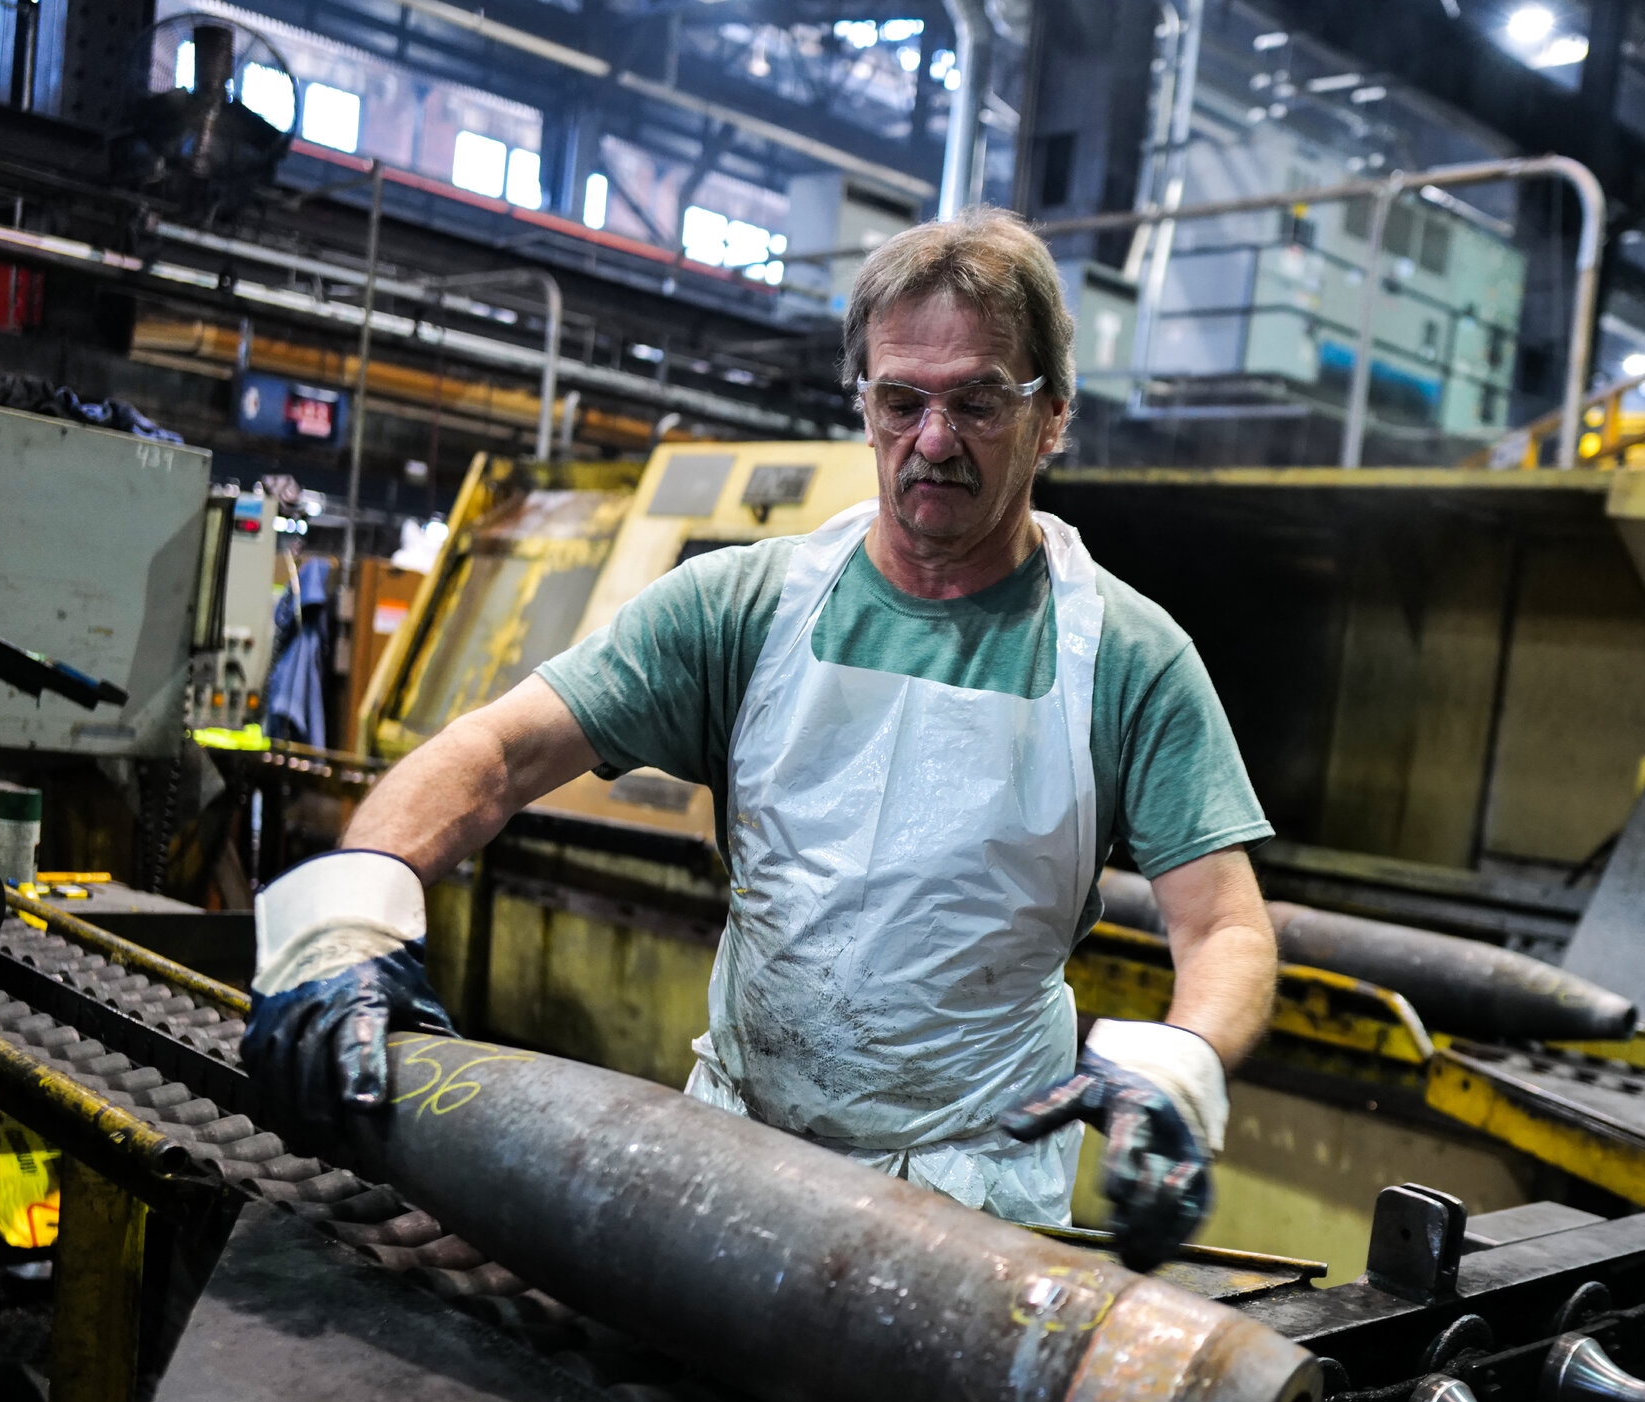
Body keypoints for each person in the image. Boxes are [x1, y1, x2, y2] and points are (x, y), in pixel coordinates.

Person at [243, 207, 1279, 1271]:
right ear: (864, 406)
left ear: (1050, 415)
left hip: (976, 1203)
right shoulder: (743, 608)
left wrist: (1181, 1064)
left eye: (976, 401)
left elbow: (1224, 928)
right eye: (901, 400)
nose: (932, 440)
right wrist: (350, 918)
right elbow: (496, 754)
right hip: (736, 1163)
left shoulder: (1126, 657)